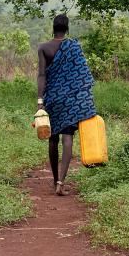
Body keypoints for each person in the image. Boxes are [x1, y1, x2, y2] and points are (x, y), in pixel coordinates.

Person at [37, 14, 96, 195]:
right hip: (71, 100)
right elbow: (83, 75)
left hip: (52, 99)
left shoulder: (43, 48)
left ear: (53, 28)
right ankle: (61, 183)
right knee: (68, 138)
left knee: (53, 139)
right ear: (67, 28)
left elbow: (41, 75)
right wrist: (83, 98)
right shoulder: (75, 47)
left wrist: (40, 101)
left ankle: (54, 178)